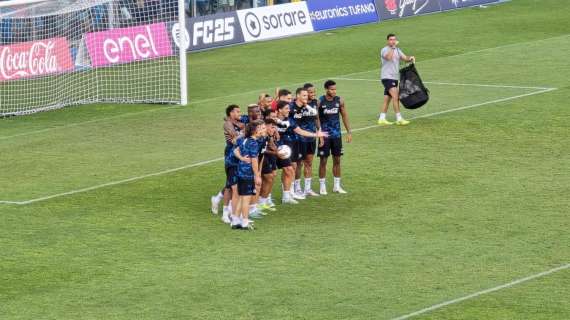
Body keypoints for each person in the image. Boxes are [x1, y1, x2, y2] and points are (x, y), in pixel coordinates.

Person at [275, 100, 328, 203]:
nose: (288, 110)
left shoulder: (290, 120)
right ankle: (268, 199)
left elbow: (300, 131)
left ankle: (287, 195)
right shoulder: (272, 120)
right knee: (270, 174)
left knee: (289, 169)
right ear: (279, 110)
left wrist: (316, 135)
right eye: (286, 108)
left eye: (289, 108)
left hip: (285, 149)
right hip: (272, 149)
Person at [231, 120, 267, 230]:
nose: (263, 129)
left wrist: (241, 158)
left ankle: (235, 221)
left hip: (240, 171)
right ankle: (245, 223)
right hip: (248, 174)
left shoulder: (243, 139)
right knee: (246, 199)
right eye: (262, 128)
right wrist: (257, 175)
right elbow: (254, 160)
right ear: (255, 131)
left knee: (242, 198)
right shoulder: (253, 143)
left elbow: (235, 150)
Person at [318, 80, 352, 195]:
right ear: (326, 89)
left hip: (337, 136)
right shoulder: (320, 102)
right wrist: (319, 133)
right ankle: (322, 186)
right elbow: (316, 119)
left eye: (335, 89)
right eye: (332, 89)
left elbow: (344, 116)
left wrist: (349, 132)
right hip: (325, 136)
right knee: (323, 160)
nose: (334, 91)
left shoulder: (339, 101)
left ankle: (336, 186)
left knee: (337, 160)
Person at [212, 104, 244, 221]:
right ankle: (225, 214)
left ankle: (218, 200)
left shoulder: (238, 122)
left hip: (240, 154)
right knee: (231, 187)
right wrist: (245, 132)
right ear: (231, 113)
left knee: (233, 184)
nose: (239, 114)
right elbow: (235, 137)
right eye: (237, 112)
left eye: (240, 112)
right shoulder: (228, 124)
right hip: (231, 156)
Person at [378, 33, 416, 126]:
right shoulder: (384, 50)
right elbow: (389, 57)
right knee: (396, 97)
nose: (393, 41)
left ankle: (382, 118)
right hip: (387, 77)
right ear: (387, 41)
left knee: (387, 99)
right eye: (391, 39)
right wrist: (393, 47)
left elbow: (404, 58)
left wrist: (410, 58)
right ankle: (399, 118)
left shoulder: (397, 50)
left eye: (394, 39)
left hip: (394, 78)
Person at [291, 86, 320, 197]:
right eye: (306, 94)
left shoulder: (313, 103)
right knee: (299, 164)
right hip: (299, 139)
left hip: (311, 138)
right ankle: (297, 189)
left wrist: (319, 133)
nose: (309, 95)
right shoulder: (294, 106)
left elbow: (316, 119)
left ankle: (307, 189)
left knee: (309, 163)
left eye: (309, 94)